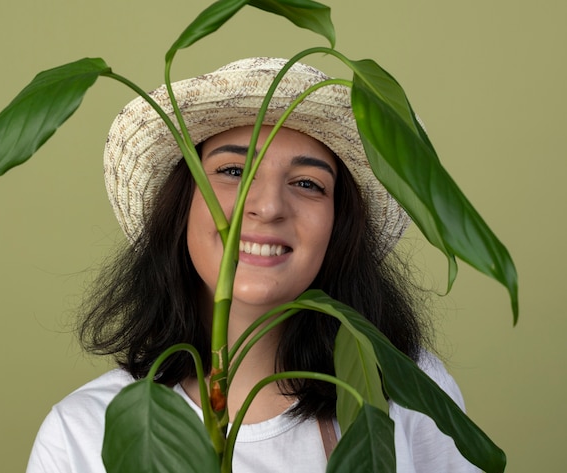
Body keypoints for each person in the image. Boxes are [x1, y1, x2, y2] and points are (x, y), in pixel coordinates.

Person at [26, 57, 479, 472]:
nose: (267, 207)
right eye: (233, 173)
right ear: (180, 206)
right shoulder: (81, 434)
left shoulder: (405, 396)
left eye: (307, 183)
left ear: (339, 224)